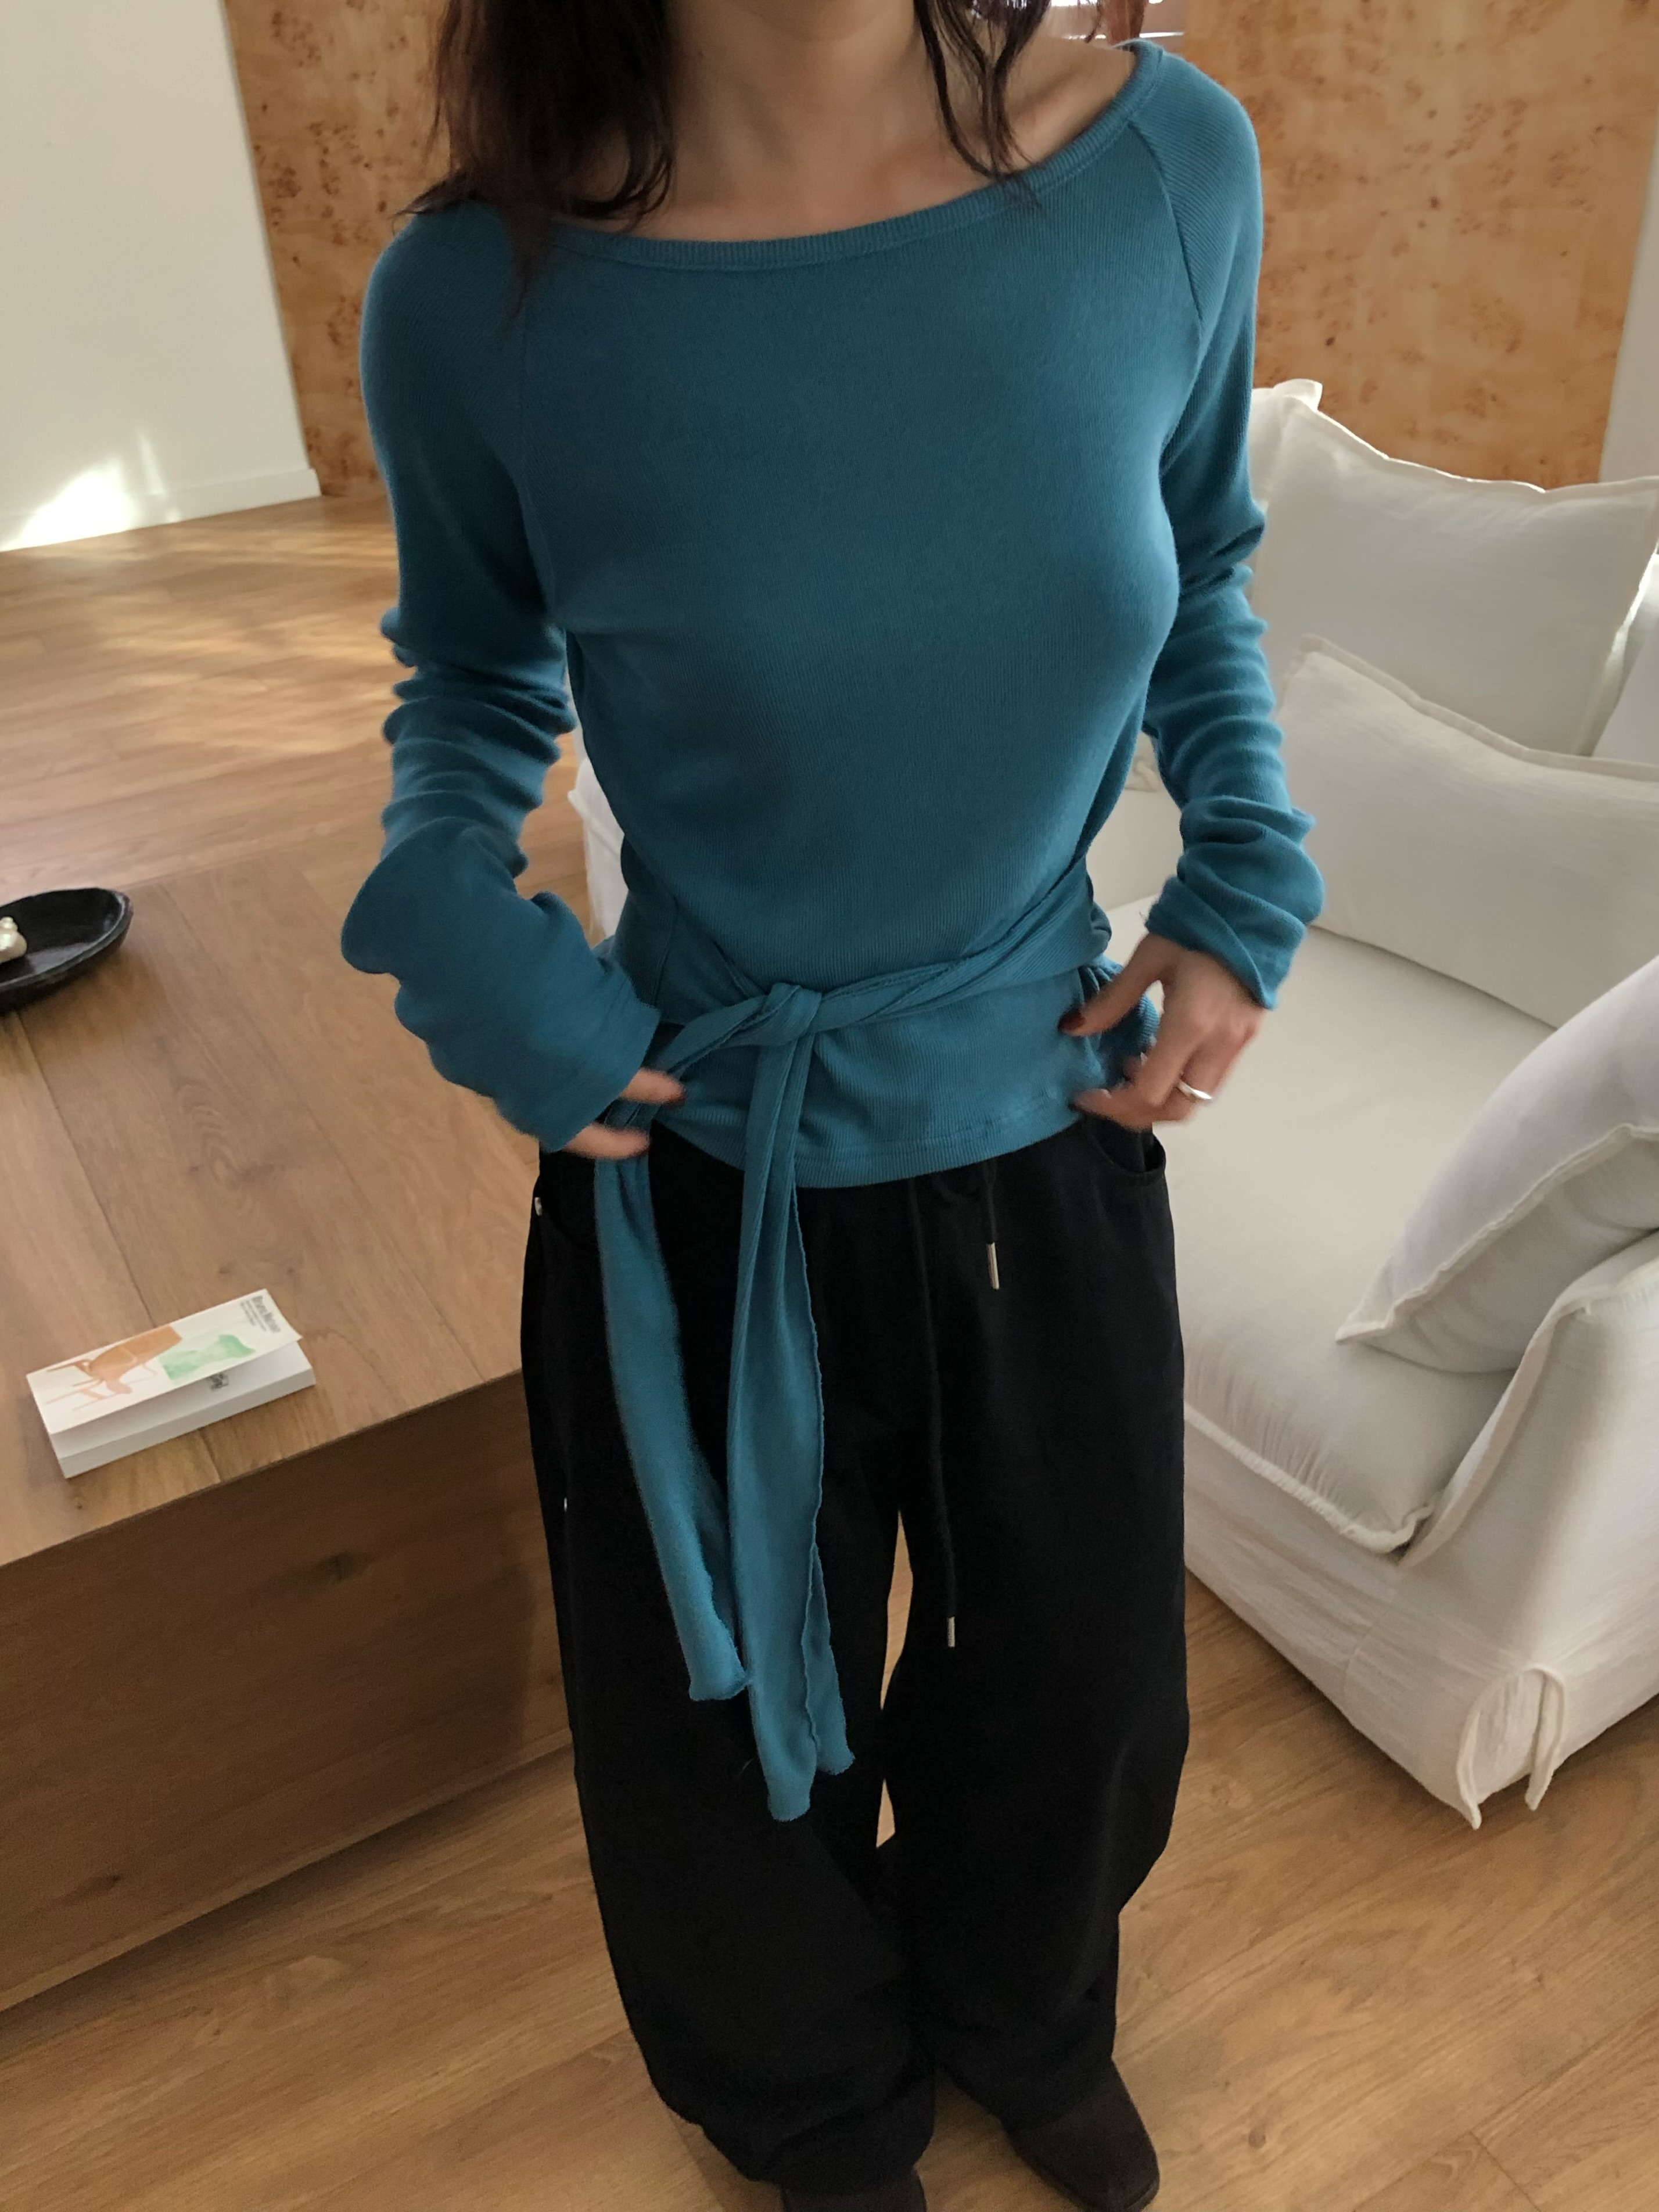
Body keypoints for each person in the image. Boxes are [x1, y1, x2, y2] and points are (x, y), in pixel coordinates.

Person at [341, 2, 1323, 2205]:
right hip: (695, 1150)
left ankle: (1023, 2015)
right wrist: (452, 909)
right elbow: (474, 677)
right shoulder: (479, 290)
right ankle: (818, 2120)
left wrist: (1248, 871)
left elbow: (1201, 560)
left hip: (1046, 1118)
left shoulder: (1167, 165)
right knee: (710, 1753)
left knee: (1080, 1693)